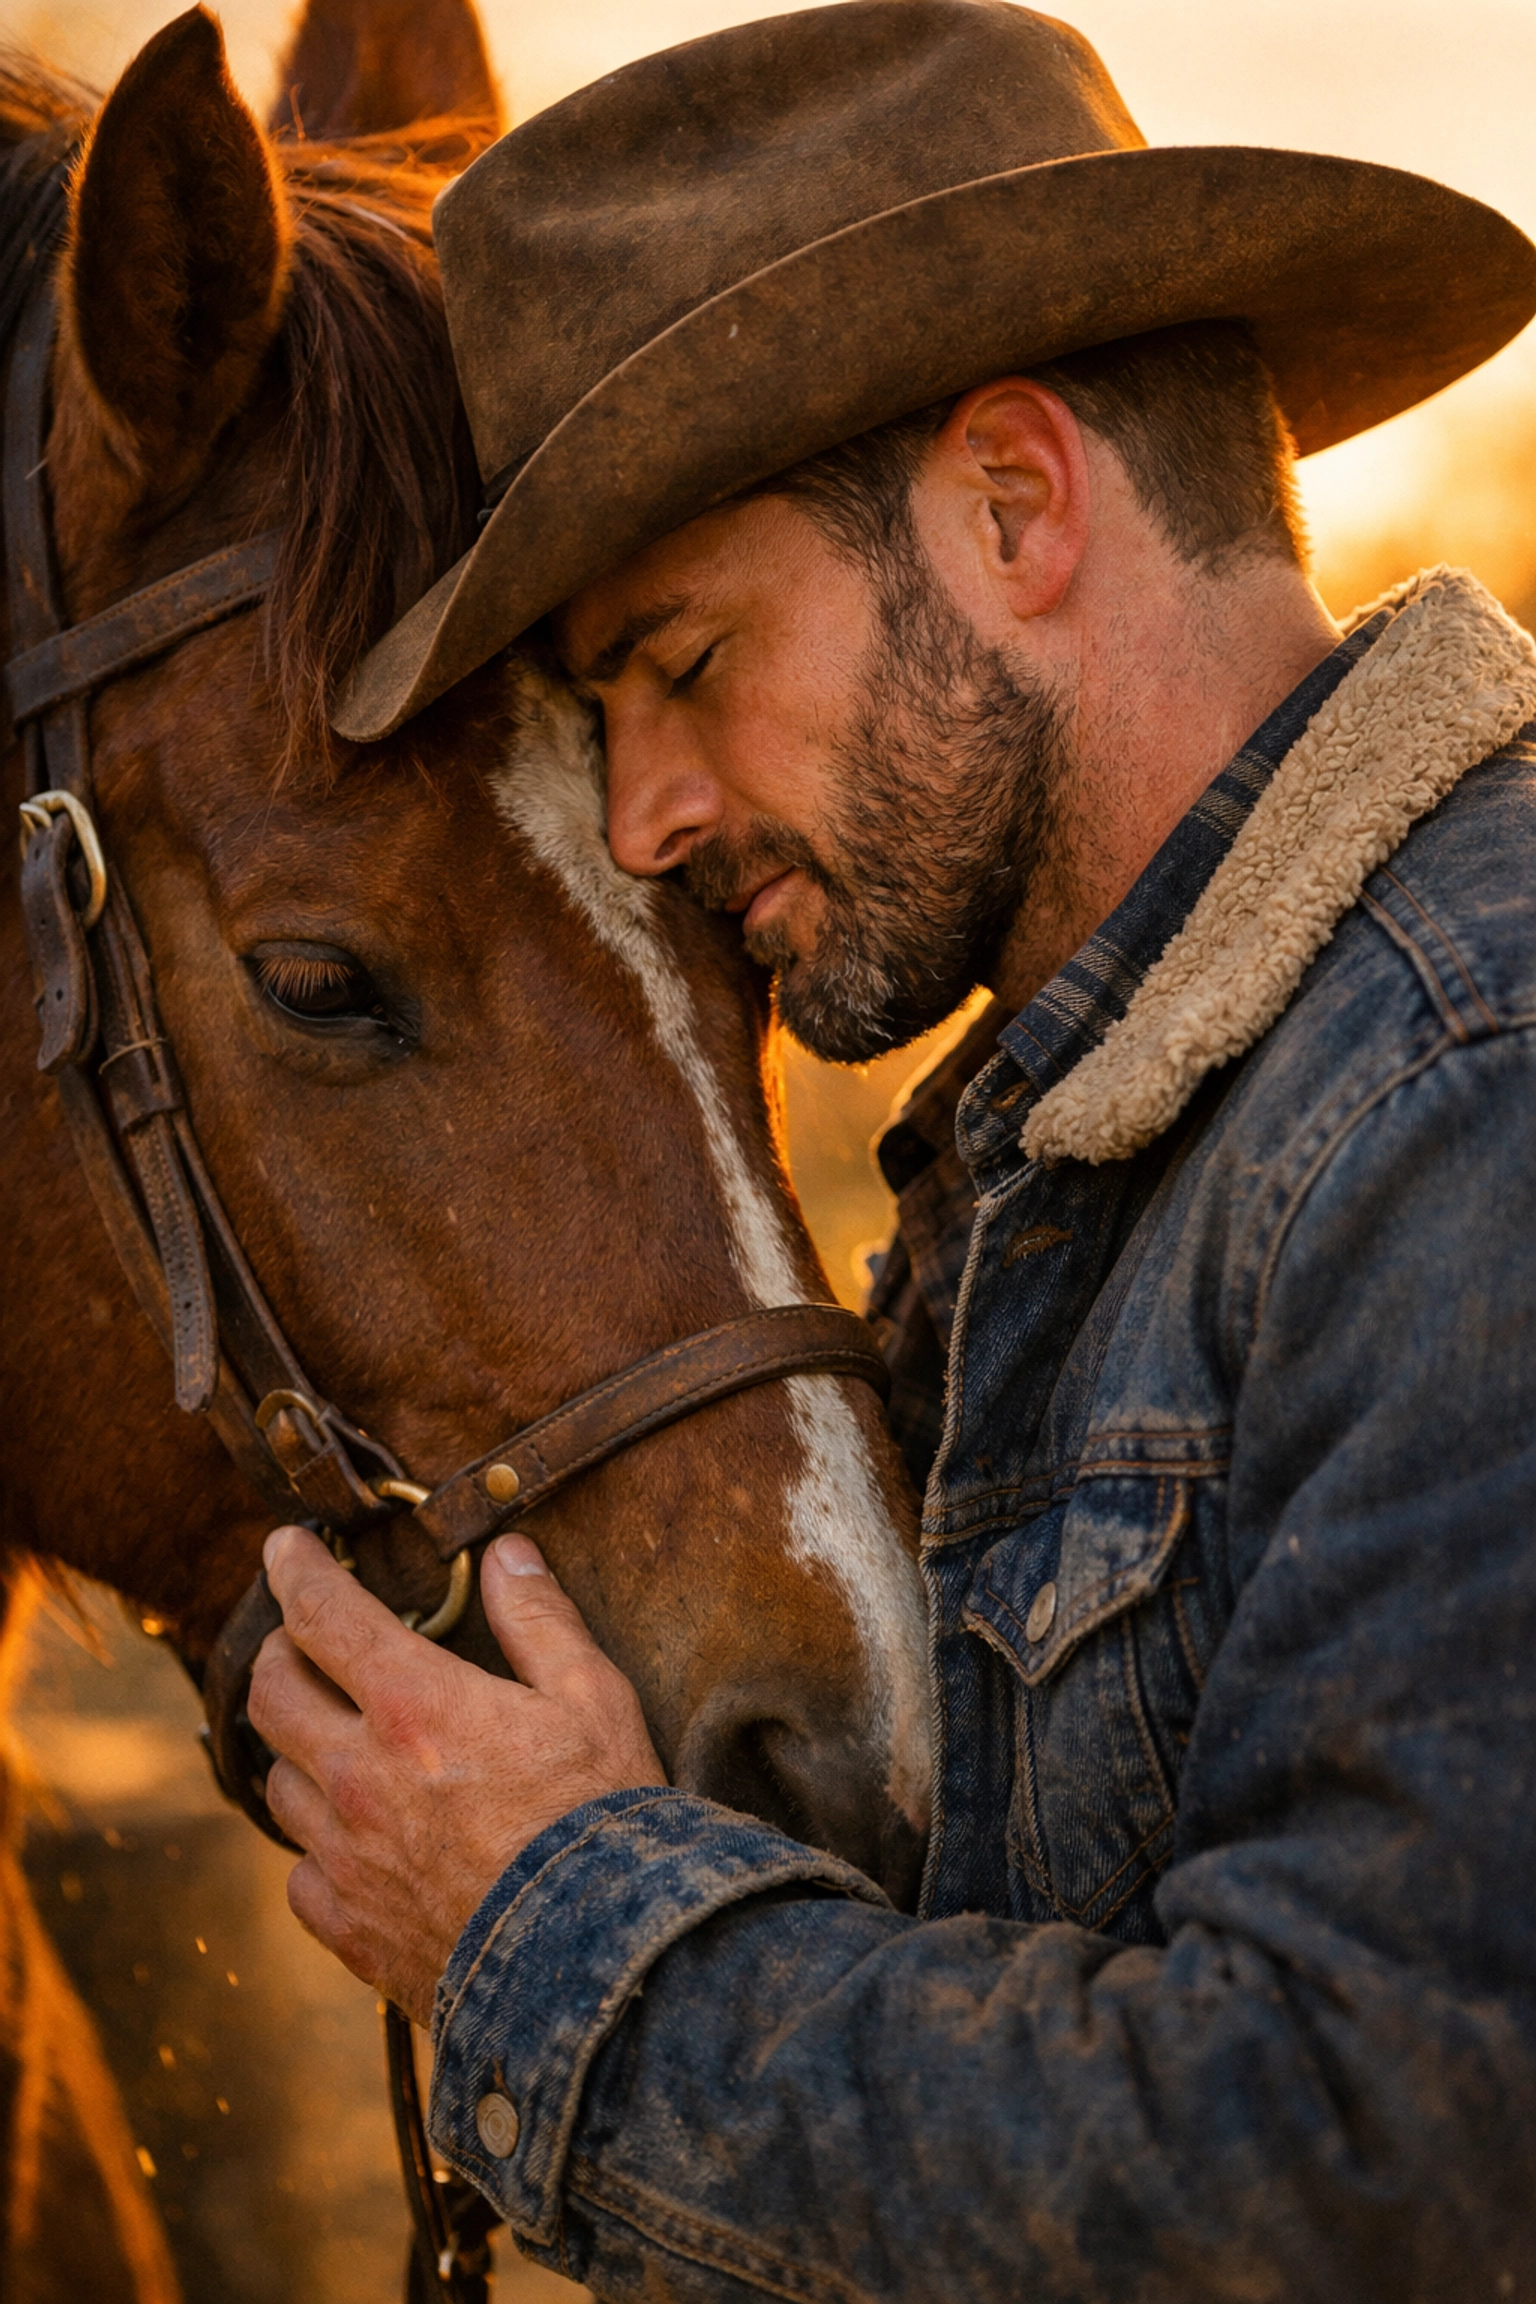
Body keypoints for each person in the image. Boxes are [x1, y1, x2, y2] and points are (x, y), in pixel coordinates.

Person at [247, 4, 1536, 2292]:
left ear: (1014, 506)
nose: (644, 816)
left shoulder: (1472, 1105)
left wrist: (549, 1941)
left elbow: (1374, 2177)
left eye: (680, 660)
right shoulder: (1107, 1150)